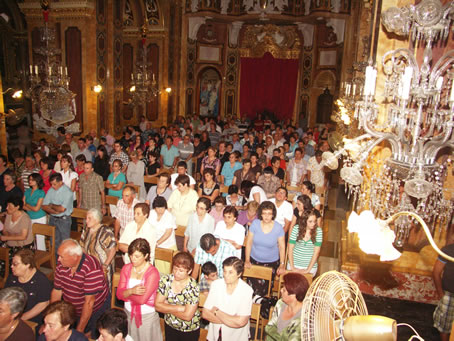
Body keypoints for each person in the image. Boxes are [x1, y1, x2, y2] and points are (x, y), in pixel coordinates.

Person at [51, 239, 110, 338]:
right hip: (73, 308)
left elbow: (89, 303)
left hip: (96, 309)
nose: (58, 260)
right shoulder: (62, 265)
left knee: (89, 336)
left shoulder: (91, 267)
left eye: (62, 257)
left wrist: (78, 333)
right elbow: (57, 291)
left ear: (75, 257)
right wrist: (51, 318)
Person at [117, 239, 162, 341]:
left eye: (137, 256)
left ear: (146, 256)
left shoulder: (152, 273)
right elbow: (118, 295)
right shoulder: (126, 268)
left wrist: (126, 294)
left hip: (146, 317)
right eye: (131, 255)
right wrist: (131, 291)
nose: (133, 259)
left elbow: (142, 300)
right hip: (128, 314)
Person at [202, 257, 253, 341]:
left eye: (230, 272)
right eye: (224, 271)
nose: (226, 275)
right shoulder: (216, 285)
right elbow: (205, 313)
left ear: (239, 274)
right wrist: (231, 320)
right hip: (216, 334)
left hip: (236, 336)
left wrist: (216, 312)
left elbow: (241, 322)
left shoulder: (246, 291)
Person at [156, 252, 201, 341]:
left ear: (189, 271)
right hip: (170, 324)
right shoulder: (166, 280)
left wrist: (166, 306)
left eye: (181, 271)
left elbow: (188, 316)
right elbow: (157, 306)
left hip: (188, 329)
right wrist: (179, 308)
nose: (176, 273)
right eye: (175, 269)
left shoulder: (193, 287)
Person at [245, 201, 285, 297]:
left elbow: (282, 246)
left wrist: (282, 264)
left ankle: (260, 305)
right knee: (250, 290)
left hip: (270, 263)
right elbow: (249, 242)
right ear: (260, 214)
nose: (266, 216)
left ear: (273, 215)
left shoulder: (278, 228)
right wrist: (247, 260)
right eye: (264, 213)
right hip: (254, 260)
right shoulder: (255, 224)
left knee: (261, 290)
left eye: (269, 214)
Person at [5, 249, 51, 327]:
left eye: (15, 264)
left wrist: (22, 318)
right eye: (12, 264)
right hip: (13, 315)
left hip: (32, 319)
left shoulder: (41, 281)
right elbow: (6, 297)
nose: (11, 266)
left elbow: (43, 304)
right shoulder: (12, 277)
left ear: (27, 265)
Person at [264, 273, 309, 341]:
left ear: (293, 295)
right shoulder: (280, 303)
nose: (281, 290)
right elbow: (269, 326)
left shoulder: (304, 317)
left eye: (284, 290)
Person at [80, 208, 116, 287]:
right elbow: (82, 245)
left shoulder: (105, 232)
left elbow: (112, 250)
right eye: (86, 218)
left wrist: (105, 265)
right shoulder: (86, 229)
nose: (86, 221)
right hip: (89, 265)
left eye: (89, 218)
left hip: (102, 266)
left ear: (97, 220)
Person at [42, 173, 74, 257]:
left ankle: (65, 265)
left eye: (54, 184)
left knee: (64, 244)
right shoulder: (51, 190)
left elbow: (62, 209)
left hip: (64, 220)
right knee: (54, 243)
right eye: (51, 184)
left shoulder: (68, 192)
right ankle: (57, 264)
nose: (52, 186)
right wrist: (54, 211)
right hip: (53, 218)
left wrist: (51, 205)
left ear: (60, 182)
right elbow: (44, 205)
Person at [288, 209, 322, 277]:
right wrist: (292, 267)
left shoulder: (318, 231)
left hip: (310, 266)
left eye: (315, 221)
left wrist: (307, 270)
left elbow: (316, 253)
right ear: (304, 221)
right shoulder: (296, 229)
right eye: (310, 221)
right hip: (294, 263)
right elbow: (290, 249)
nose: (313, 224)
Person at [148, 196, 177, 274]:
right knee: (158, 269)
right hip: (156, 244)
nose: (161, 210)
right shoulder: (151, 213)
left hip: (168, 245)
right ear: (154, 208)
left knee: (168, 269)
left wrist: (157, 243)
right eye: (158, 208)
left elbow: (168, 232)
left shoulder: (169, 216)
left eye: (162, 208)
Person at [433, 239, 454, 341]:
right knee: (444, 325)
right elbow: (436, 272)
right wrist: (441, 294)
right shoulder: (448, 250)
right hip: (449, 294)